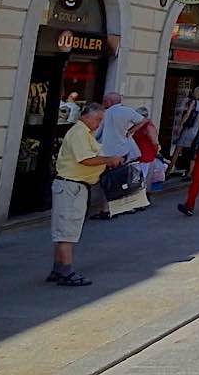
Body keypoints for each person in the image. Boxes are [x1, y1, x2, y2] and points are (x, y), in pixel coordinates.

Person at [48, 102, 125, 287]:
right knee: (67, 229)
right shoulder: (79, 133)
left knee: (65, 229)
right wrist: (109, 160)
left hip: (75, 186)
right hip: (71, 186)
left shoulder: (85, 133)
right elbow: (85, 159)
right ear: (86, 116)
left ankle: (58, 268)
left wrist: (109, 160)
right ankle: (66, 271)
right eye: (98, 119)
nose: (99, 124)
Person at [97, 93, 148, 216]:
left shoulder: (105, 113)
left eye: (105, 100)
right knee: (123, 179)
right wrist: (130, 131)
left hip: (106, 151)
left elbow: (97, 133)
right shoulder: (127, 111)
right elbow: (143, 120)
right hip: (122, 150)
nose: (103, 102)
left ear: (109, 101)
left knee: (107, 180)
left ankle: (106, 209)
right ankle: (127, 206)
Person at [169, 87, 199, 179]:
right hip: (197, 130)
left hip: (189, 129)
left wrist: (181, 125)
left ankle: (169, 170)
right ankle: (189, 172)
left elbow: (187, 115)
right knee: (193, 152)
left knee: (177, 149)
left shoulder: (194, 102)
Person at [132, 107, 160, 199]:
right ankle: (137, 198)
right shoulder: (137, 126)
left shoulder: (148, 126)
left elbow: (155, 142)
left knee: (142, 178)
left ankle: (141, 198)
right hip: (137, 156)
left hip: (146, 155)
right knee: (137, 178)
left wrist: (155, 152)